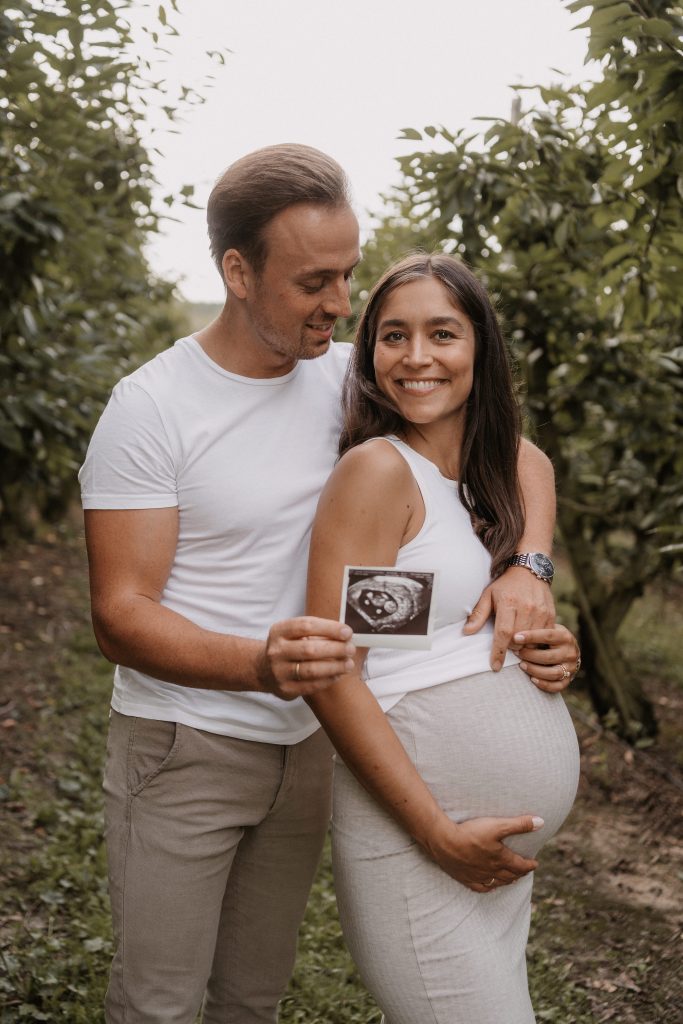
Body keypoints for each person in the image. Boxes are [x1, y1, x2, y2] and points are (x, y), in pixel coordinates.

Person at [79, 144, 575, 1024]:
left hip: (314, 747)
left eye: (347, 276)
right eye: (315, 282)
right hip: (188, 741)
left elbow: (516, 452)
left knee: (251, 998)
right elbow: (119, 616)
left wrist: (525, 564)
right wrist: (261, 665)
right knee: (159, 1003)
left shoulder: (349, 377)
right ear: (237, 271)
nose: (340, 305)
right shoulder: (154, 408)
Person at [305, 252, 581, 1024]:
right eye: (393, 336)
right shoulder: (379, 474)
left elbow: (532, 458)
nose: (417, 357)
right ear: (368, 355)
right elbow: (341, 672)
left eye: (442, 334)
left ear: (480, 350)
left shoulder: (483, 473)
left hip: (494, 858)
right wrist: (434, 833)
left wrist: (531, 571)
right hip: (423, 843)